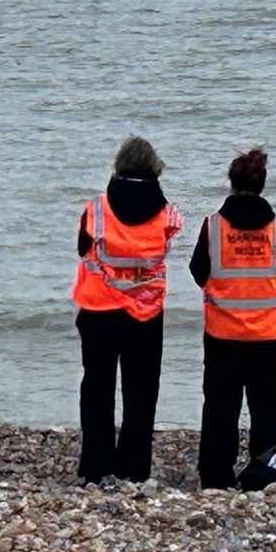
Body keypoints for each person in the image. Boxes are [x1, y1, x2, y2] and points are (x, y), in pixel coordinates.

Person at [71, 136, 183, 483]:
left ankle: (96, 466)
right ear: (155, 169)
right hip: (146, 313)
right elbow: (164, 246)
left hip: (98, 308)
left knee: (97, 389)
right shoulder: (168, 214)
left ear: (118, 166)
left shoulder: (97, 210)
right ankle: (134, 468)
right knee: (141, 391)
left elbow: (82, 249)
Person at [191, 148, 276, 489]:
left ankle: (215, 476)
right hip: (269, 335)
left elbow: (198, 271)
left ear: (231, 183)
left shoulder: (213, 227)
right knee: (267, 407)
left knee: (220, 407)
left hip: (223, 334)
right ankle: (265, 476)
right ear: (262, 184)